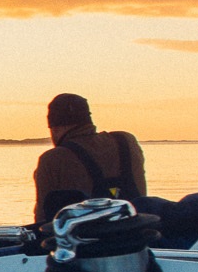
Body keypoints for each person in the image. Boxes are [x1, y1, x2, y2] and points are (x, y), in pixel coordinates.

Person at [33, 93, 147, 225]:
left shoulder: (52, 159)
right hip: (136, 235)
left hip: (86, 241)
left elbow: (42, 221)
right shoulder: (127, 142)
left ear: (55, 129)